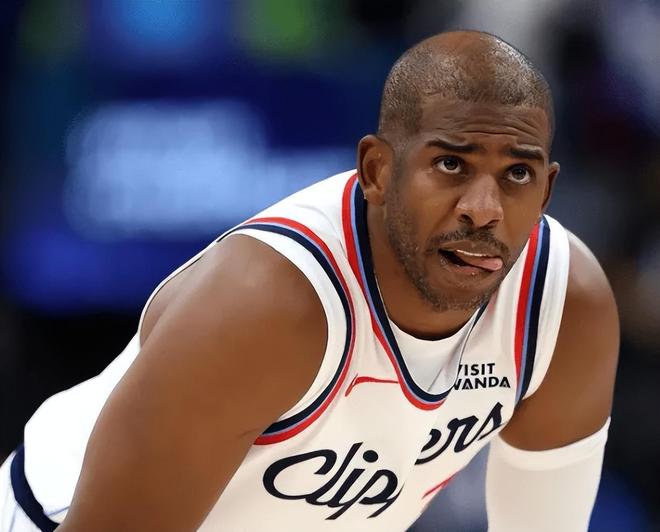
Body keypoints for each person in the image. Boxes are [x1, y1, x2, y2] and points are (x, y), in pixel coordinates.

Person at [0, 30, 618, 532]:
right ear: (377, 171)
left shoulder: (565, 308)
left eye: (517, 174)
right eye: (451, 163)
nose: (483, 209)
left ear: (547, 191)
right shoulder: (267, 306)